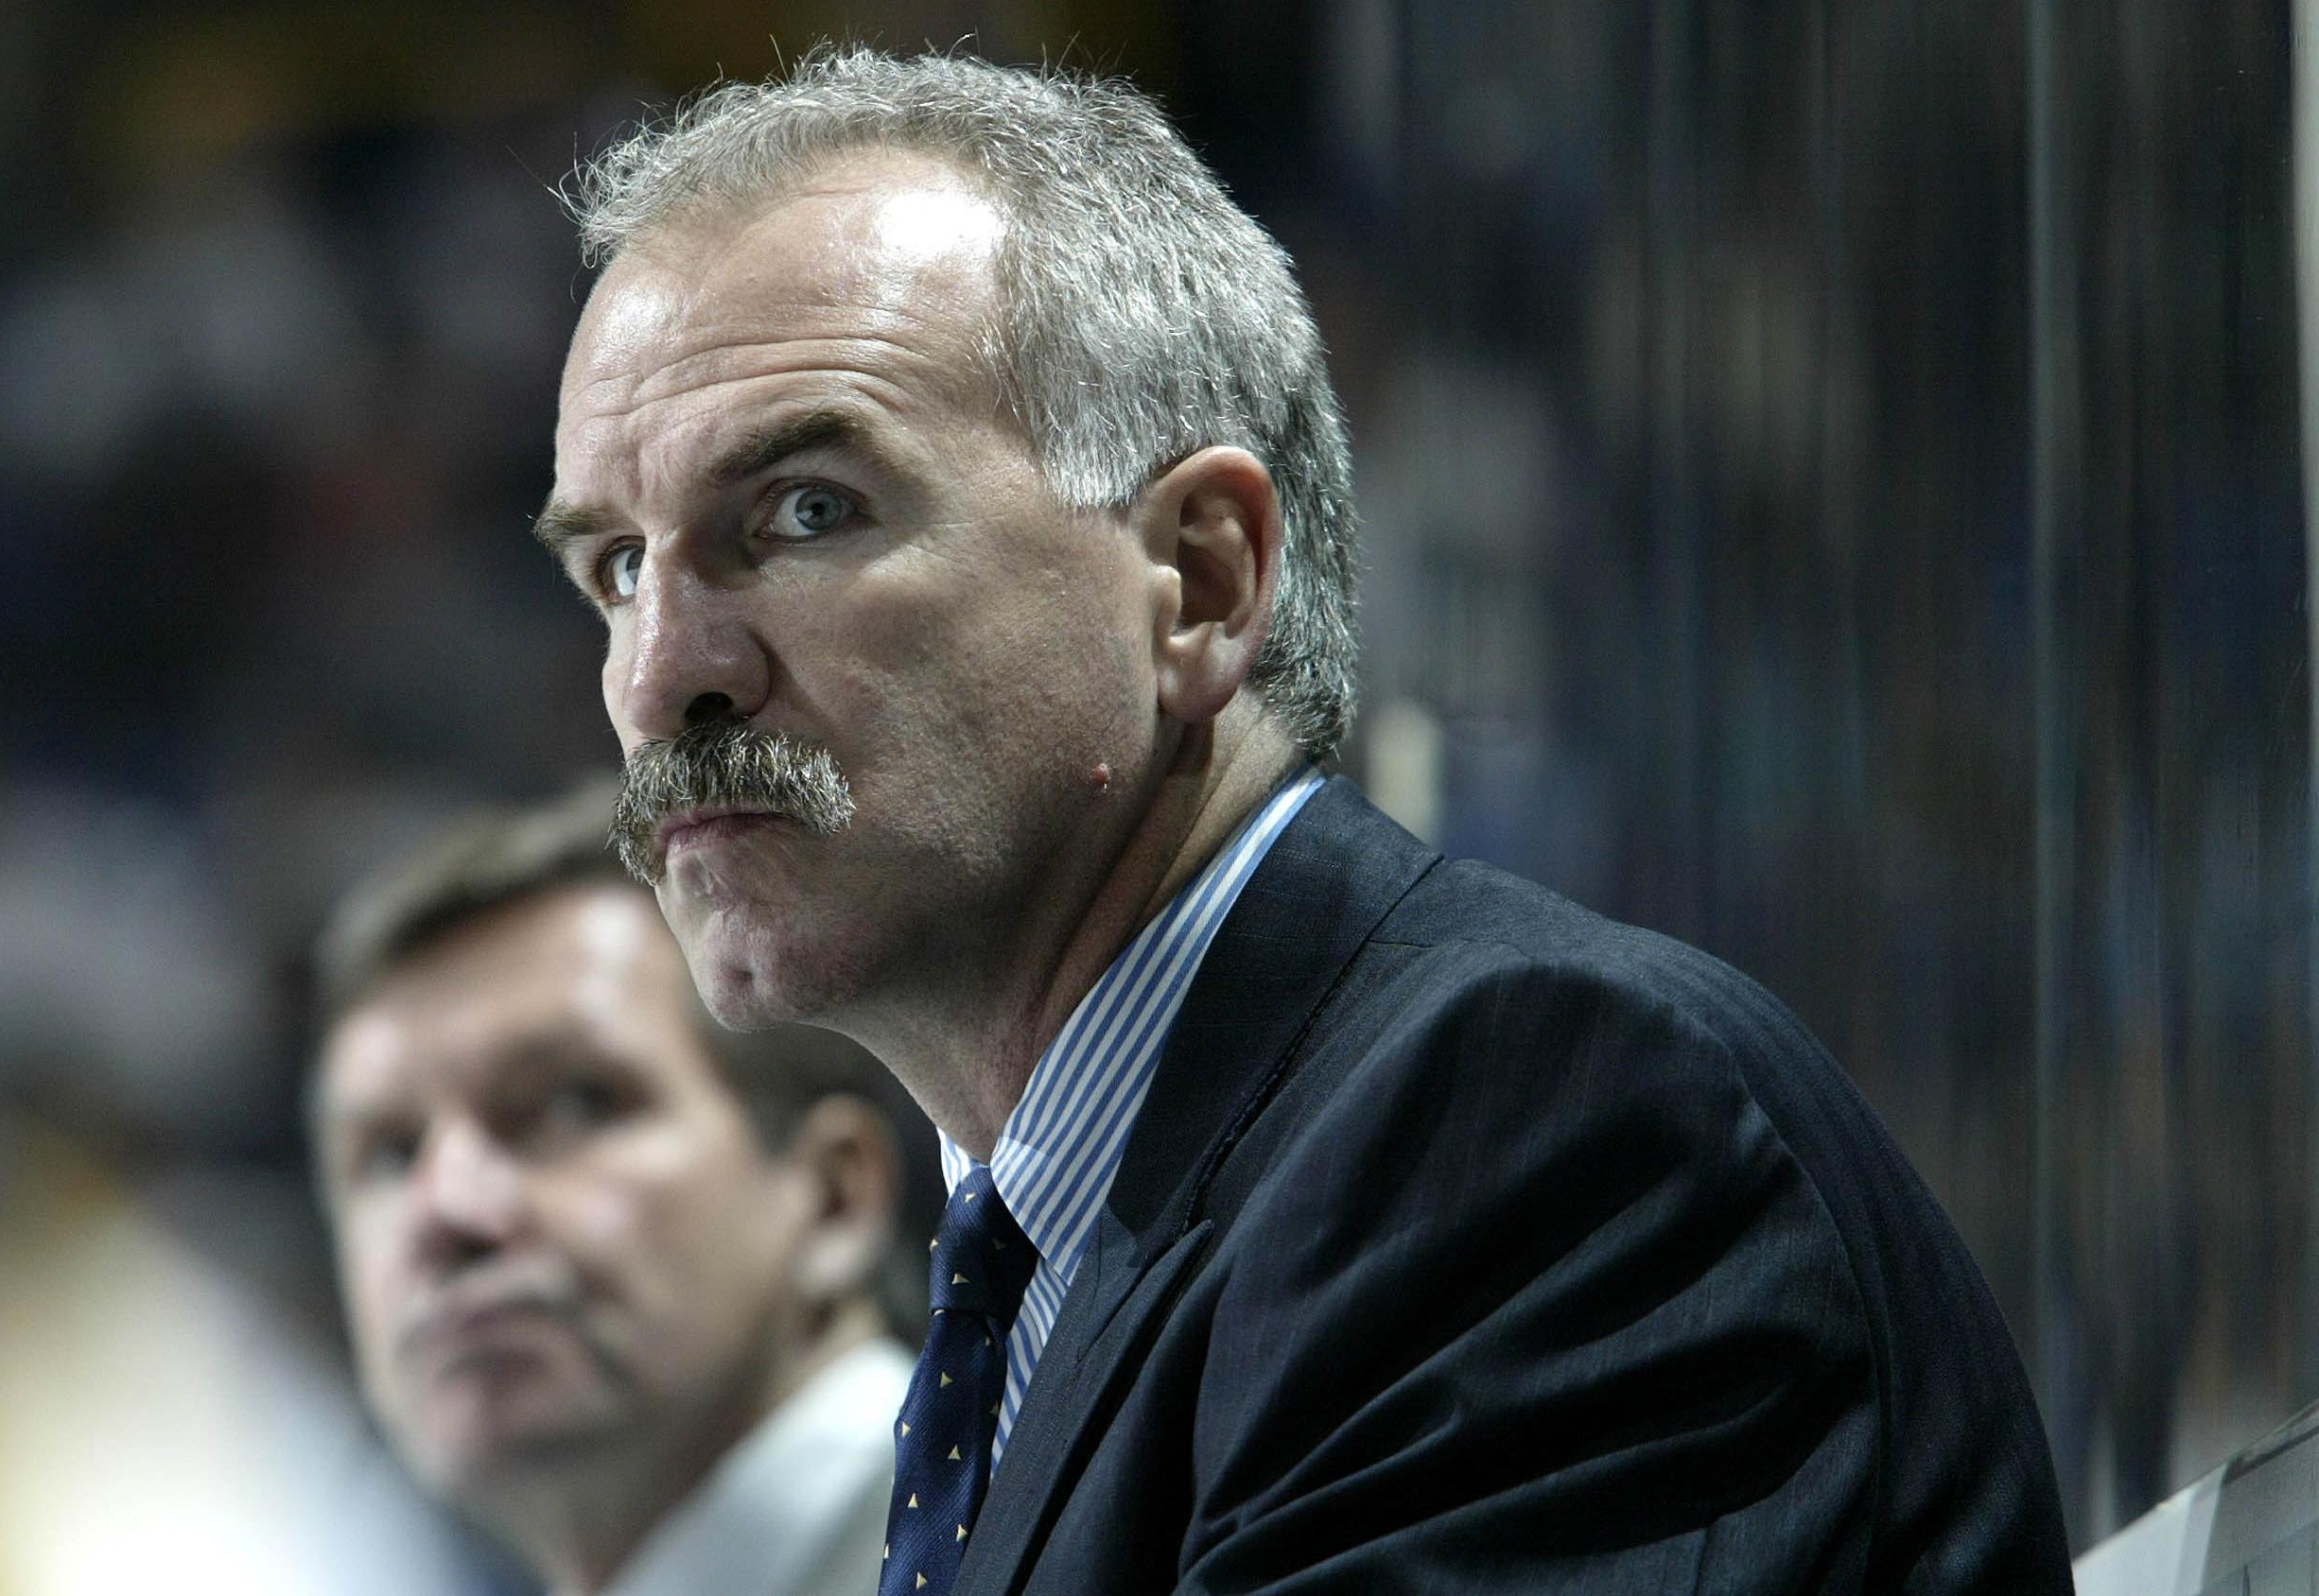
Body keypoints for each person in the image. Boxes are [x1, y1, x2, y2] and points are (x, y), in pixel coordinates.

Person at [534, 45, 2076, 1595]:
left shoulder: (1524, 1126)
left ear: (1199, 579)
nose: (664, 675)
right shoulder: (1045, 1274)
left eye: (806, 511)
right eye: (613, 568)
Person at [307, 785, 935, 1596]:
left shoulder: (1048, 1535)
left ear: (831, 1198)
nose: (446, 1209)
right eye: (389, 1157)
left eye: (574, 1105)